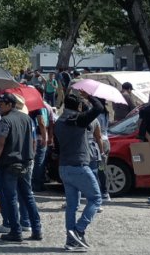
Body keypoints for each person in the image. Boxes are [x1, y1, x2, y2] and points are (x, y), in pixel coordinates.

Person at [54, 89, 105, 252]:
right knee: (96, 199)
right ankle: (78, 230)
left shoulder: (58, 122)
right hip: (79, 166)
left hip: (64, 167)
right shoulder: (79, 120)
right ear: (79, 105)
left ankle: (71, 240)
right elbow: (98, 108)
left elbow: (56, 147)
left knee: (72, 206)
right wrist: (88, 95)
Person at [0, 93, 39, 243]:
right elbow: (32, 140)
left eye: (2, 103)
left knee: (11, 198)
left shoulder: (5, 120)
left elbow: (0, 142)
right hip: (25, 163)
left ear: (10, 105)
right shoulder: (26, 118)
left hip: (9, 164)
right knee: (28, 196)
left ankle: (15, 231)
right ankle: (37, 229)